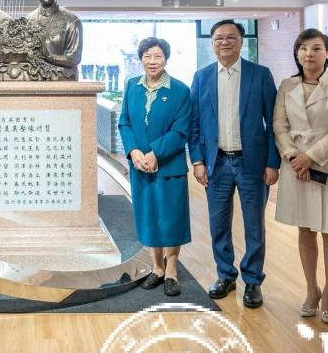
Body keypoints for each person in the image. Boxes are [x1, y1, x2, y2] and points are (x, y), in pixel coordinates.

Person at [187, 20, 280, 309]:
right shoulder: (202, 77)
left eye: (230, 37)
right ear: (212, 44)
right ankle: (225, 274)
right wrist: (198, 160)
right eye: (218, 38)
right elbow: (194, 124)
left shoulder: (259, 75)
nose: (224, 42)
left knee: (254, 226)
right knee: (218, 224)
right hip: (216, 164)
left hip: (252, 164)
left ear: (241, 41)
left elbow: (273, 123)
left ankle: (252, 280)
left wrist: (272, 162)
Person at [274, 29, 328, 324]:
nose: (309, 54)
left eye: (317, 48)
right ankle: (311, 289)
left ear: (327, 53)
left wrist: (311, 157)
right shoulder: (287, 85)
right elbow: (279, 125)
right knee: (305, 229)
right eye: (303, 48)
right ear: (296, 53)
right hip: (295, 165)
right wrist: (294, 156)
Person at [118, 37, 193, 296]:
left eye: (158, 56)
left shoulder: (180, 90)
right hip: (140, 165)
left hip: (169, 165)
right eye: (147, 56)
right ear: (141, 59)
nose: (152, 61)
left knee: (171, 218)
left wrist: (155, 153)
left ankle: (171, 270)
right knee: (149, 216)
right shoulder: (132, 86)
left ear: (166, 59)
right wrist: (134, 151)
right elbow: (125, 122)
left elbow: (181, 130)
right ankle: (157, 267)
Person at [24, 0, 83, 80]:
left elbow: (75, 58)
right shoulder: (27, 20)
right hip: (33, 79)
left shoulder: (71, 21)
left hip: (62, 80)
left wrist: (49, 57)